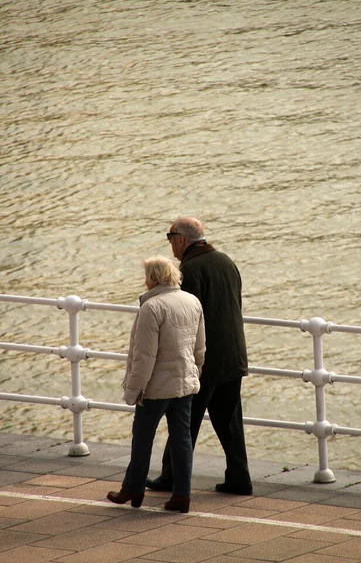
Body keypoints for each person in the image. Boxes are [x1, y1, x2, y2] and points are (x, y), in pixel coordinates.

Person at [146, 217, 253, 496]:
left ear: (180, 239)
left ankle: (171, 476)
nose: (170, 243)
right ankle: (239, 478)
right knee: (230, 421)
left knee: (184, 418)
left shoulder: (190, 269)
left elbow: (185, 318)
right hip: (233, 354)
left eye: (170, 236)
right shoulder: (226, 261)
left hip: (205, 359)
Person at [107, 255, 205, 513]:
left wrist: (134, 389)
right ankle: (182, 496)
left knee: (142, 437)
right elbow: (199, 346)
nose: (144, 280)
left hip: (156, 387)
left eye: (146, 275)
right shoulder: (192, 301)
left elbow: (144, 355)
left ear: (153, 278)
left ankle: (133, 487)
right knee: (182, 439)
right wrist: (196, 372)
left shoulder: (152, 307)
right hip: (185, 383)